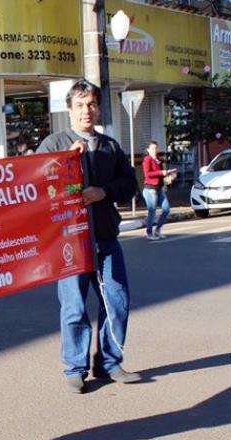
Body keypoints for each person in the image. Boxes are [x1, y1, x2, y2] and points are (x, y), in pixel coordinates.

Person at [35, 79, 140, 394]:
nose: (86, 111)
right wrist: (65, 161)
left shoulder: (109, 146)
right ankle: (75, 368)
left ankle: (109, 362)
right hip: (69, 243)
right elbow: (40, 186)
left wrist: (102, 192)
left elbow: (130, 184)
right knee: (73, 307)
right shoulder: (54, 145)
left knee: (116, 301)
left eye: (92, 104)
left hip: (106, 239)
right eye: (80, 105)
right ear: (69, 109)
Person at [141, 141, 176, 241]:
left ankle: (158, 230)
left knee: (166, 209)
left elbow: (160, 175)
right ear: (148, 150)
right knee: (152, 211)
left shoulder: (158, 160)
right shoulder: (147, 160)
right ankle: (149, 233)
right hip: (150, 189)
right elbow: (148, 174)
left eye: (156, 148)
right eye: (152, 148)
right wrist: (162, 172)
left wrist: (169, 175)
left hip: (159, 188)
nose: (155, 150)